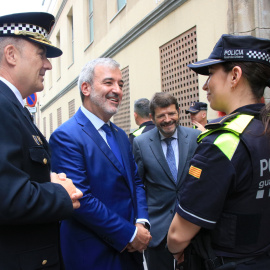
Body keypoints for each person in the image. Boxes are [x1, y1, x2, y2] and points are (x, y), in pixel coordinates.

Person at [167, 34, 270, 269]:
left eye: (211, 73)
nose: (205, 85)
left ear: (234, 75)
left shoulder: (224, 143)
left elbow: (177, 235)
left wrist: (176, 250)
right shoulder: (263, 129)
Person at [49, 58, 152, 270]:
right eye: (109, 83)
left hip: (131, 254)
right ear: (85, 88)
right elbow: (80, 199)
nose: (117, 90)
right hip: (93, 255)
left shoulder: (121, 135)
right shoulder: (66, 136)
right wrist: (129, 234)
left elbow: (135, 181)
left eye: (121, 84)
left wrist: (141, 222)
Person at [0, 12, 83, 269]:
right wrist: (61, 193)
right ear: (11, 54)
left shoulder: (13, 106)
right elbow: (6, 197)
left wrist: (46, 180)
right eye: (41, 54)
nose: (47, 65)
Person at [133, 92, 201, 270]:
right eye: (161, 115)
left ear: (178, 112)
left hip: (190, 227)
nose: (167, 119)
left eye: (171, 113)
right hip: (157, 231)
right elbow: (138, 185)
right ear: (152, 118)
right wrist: (140, 222)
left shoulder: (195, 138)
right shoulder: (141, 143)